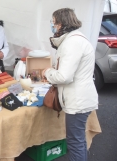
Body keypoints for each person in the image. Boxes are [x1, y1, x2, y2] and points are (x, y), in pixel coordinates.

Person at [42, 8, 98, 161]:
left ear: (60, 24)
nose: (52, 26)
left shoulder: (72, 43)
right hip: (79, 98)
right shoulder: (75, 40)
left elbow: (64, 76)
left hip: (78, 101)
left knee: (75, 142)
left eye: (53, 23)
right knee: (78, 141)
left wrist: (47, 72)